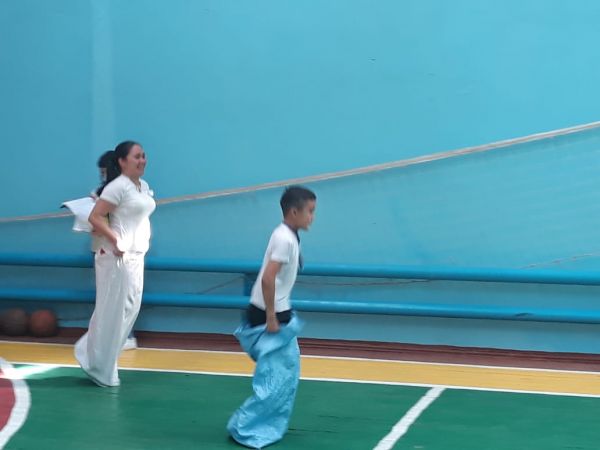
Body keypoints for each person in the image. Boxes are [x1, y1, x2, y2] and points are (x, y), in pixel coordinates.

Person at [227, 186, 317, 449]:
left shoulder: (288, 236)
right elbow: (268, 278)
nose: (312, 217)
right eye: (310, 211)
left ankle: (254, 424)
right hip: (271, 312)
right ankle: (246, 427)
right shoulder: (284, 239)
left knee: (285, 373)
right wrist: (270, 317)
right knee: (277, 377)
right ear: (294, 212)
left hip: (278, 308)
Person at [74, 141, 156, 387]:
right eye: (136, 156)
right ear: (122, 161)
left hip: (136, 255)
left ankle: (98, 359)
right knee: (113, 311)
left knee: (130, 310)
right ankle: (100, 367)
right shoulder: (117, 187)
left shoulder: (142, 186)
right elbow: (95, 217)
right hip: (117, 258)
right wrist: (115, 240)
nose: (142, 160)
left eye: (143, 156)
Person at [94, 151, 138, 351]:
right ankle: (111, 336)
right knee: (108, 296)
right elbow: (96, 221)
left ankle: (125, 336)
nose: (102, 176)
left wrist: (117, 241)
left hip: (121, 250)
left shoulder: (124, 191)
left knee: (123, 295)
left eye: (104, 172)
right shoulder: (106, 192)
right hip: (105, 249)